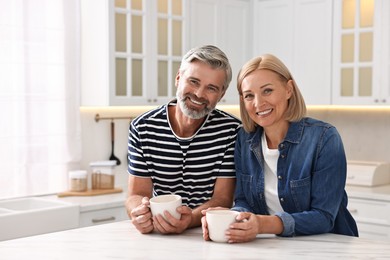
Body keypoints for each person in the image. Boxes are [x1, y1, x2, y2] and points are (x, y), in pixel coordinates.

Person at [202, 54, 358, 243]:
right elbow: (243, 201)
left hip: (328, 247)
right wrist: (233, 217)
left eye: (267, 91)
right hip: (272, 246)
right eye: (249, 95)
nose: (258, 103)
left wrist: (262, 224)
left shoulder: (324, 138)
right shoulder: (244, 139)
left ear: (288, 90)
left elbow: (324, 217)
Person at [126, 45, 242, 235]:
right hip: (157, 232)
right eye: (193, 81)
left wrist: (189, 220)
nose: (198, 94)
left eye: (211, 88)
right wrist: (138, 212)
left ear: (221, 94)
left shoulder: (232, 132)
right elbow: (136, 194)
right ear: (178, 78)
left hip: (205, 232)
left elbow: (222, 199)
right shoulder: (142, 127)